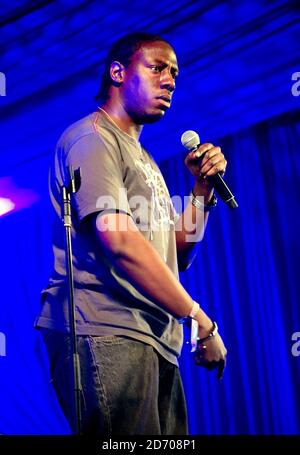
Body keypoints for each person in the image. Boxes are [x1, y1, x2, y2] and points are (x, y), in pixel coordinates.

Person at [35, 32, 227, 435]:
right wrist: (198, 317)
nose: (170, 80)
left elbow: (174, 255)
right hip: (106, 329)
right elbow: (120, 243)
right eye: (157, 68)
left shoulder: (146, 160)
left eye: (174, 73)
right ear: (118, 73)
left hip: (154, 336)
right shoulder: (93, 139)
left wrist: (201, 193)